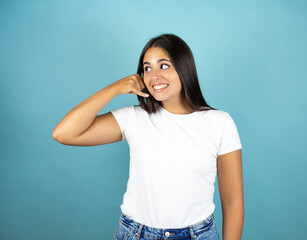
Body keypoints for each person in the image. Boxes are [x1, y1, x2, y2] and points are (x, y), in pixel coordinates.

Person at [52, 33, 244, 240]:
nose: (154, 76)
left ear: (184, 67)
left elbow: (233, 202)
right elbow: (64, 133)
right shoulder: (132, 118)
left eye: (164, 65)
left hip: (198, 235)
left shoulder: (219, 122)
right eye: (147, 68)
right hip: (136, 234)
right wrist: (114, 89)